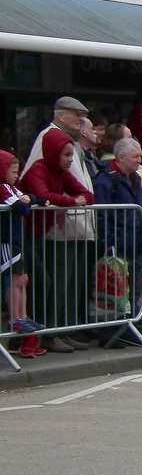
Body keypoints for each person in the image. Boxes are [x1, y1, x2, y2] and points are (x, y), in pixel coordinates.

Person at [19, 128, 96, 353]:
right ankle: (34, 336)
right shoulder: (38, 169)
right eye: (66, 155)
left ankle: (49, 333)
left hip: (38, 235)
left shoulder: (61, 172)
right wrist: (70, 202)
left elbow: (88, 196)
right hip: (23, 236)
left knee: (46, 283)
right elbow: (43, 195)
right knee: (41, 283)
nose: (70, 160)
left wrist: (66, 202)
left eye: (71, 155)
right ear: (53, 152)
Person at [93, 137, 142, 341]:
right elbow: (103, 215)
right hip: (118, 242)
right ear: (121, 157)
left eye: (140, 155)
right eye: (135, 156)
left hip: (135, 240)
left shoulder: (135, 178)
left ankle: (128, 326)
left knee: (134, 287)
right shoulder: (106, 180)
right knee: (114, 288)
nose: (139, 160)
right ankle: (111, 331)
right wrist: (109, 242)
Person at [1, 151, 46, 357]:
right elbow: (22, 207)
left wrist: (31, 198)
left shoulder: (11, 187)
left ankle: (24, 316)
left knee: (24, 279)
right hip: (7, 240)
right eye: (12, 171)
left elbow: (36, 198)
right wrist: (28, 200)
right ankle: (15, 319)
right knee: (14, 279)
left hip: (17, 239)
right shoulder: (2, 189)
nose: (16, 176)